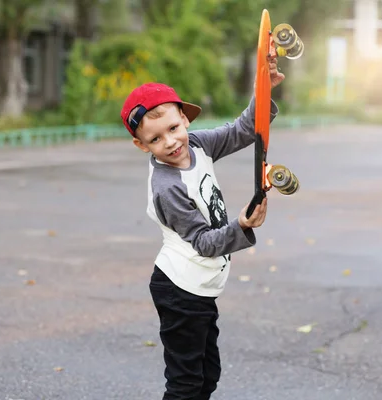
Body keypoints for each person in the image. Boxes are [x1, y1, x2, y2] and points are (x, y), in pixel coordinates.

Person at [120, 56, 285, 400]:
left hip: (201, 287)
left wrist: (262, 88)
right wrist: (241, 224)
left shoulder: (197, 144)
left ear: (184, 118)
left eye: (172, 128)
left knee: (207, 378)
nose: (169, 142)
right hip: (181, 290)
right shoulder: (168, 186)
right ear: (142, 145)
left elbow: (242, 130)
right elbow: (203, 242)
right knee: (186, 385)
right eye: (154, 139)